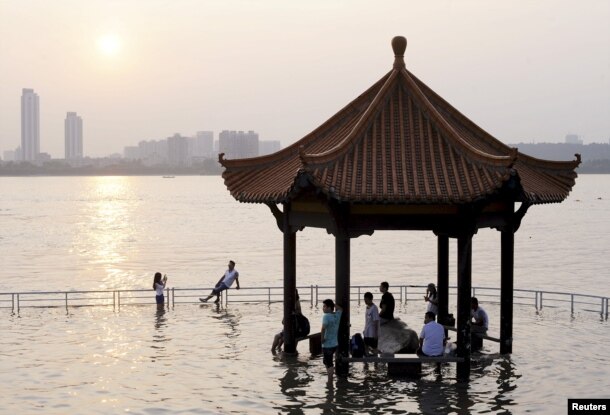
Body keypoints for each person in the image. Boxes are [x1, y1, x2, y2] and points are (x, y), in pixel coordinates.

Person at [271, 289, 303, 353]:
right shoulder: (297, 301)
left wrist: (284, 320)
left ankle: (272, 350)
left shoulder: (293, 302)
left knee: (277, 336)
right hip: (296, 328)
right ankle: (278, 348)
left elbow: (288, 316)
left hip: (293, 329)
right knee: (283, 336)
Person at [321, 299, 342, 383]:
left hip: (327, 344)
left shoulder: (326, 316)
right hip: (334, 343)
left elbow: (323, 329)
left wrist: (322, 339)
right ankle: (330, 378)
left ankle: (330, 381)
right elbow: (341, 309)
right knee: (326, 361)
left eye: (325, 306)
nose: (323, 308)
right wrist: (334, 304)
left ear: (329, 308)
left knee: (329, 363)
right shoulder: (337, 315)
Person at [363, 291, 380, 356]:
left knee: (374, 348)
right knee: (366, 347)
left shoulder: (374, 308)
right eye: (364, 300)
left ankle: (376, 364)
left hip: (372, 333)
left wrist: (376, 334)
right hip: (367, 332)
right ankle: (366, 364)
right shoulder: (367, 307)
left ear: (370, 299)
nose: (365, 301)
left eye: (366, 300)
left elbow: (376, 321)